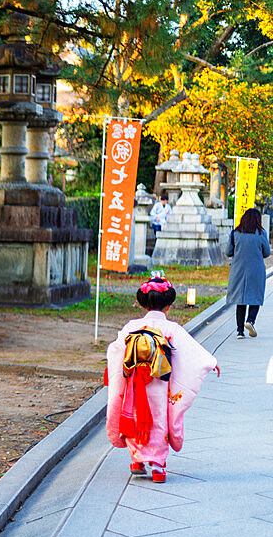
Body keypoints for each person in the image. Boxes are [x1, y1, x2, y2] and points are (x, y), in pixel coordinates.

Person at [105, 277, 218, 483]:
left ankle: (136, 461)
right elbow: (192, 354)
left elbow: (115, 350)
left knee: (134, 415)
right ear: (168, 306)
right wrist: (210, 362)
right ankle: (157, 467)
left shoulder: (132, 326)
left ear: (142, 303)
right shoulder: (172, 329)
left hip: (134, 384)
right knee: (159, 421)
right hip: (160, 385)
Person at [227, 207, 271, 339]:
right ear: (257, 220)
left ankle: (240, 332)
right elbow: (267, 253)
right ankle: (250, 321)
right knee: (255, 297)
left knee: (240, 301)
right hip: (256, 270)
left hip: (238, 270)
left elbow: (228, 252)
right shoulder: (261, 233)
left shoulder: (235, 233)